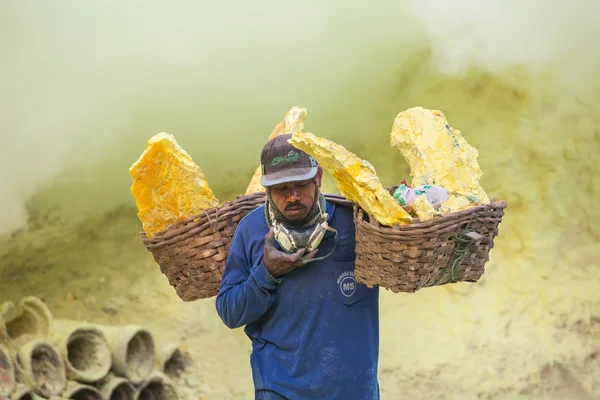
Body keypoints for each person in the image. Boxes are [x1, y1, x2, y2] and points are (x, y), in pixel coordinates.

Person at [215, 134, 380, 400]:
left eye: (301, 184)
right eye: (281, 188)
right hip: (281, 391)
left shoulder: (356, 223)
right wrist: (266, 273)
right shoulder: (251, 230)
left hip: (354, 391)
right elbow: (229, 312)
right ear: (266, 189)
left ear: (318, 178)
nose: (293, 196)